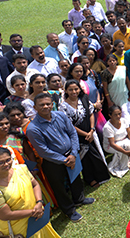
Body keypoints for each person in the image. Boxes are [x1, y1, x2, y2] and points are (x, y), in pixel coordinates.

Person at [25, 93, 94, 222]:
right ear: (35, 107)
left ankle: (79, 199)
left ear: (53, 104)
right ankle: (69, 210)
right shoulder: (33, 128)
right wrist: (64, 160)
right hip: (52, 162)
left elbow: (72, 133)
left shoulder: (60, 115)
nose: (46, 106)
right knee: (59, 187)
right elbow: (43, 151)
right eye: (42, 105)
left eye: (48, 104)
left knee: (76, 177)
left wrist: (73, 154)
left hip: (71, 154)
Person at [60, 80, 109, 187]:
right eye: (70, 89)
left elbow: (91, 113)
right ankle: (89, 179)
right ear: (66, 91)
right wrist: (85, 134)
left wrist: (91, 130)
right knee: (85, 159)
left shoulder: (84, 99)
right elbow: (69, 125)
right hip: (77, 136)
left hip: (90, 132)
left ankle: (102, 175)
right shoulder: (63, 106)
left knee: (96, 154)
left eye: (76, 89)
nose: (74, 91)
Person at [102, 105, 130, 178]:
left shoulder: (124, 120)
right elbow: (112, 144)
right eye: (115, 114)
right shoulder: (107, 127)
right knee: (122, 147)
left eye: (119, 114)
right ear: (110, 115)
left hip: (124, 140)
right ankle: (119, 166)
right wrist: (125, 152)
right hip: (110, 146)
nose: (118, 116)